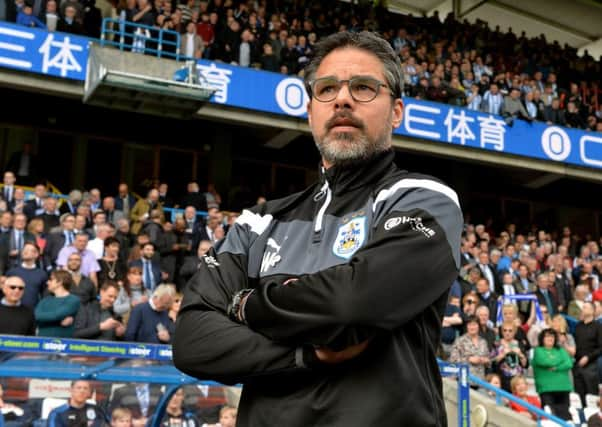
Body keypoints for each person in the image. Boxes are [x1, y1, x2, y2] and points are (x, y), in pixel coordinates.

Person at [174, 31, 463, 427]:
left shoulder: (422, 198)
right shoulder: (258, 222)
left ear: (396, 111)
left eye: (363, 87)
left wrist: (245, 304)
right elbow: (191, 340)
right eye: (327, 89)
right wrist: (302, 355)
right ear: (311, 111)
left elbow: (352, 304)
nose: (342, 99)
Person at [531, 328, 573, 420]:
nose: (550, 338)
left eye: (552, 336)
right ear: (542, 338)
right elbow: (545, 361)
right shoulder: (538, 350)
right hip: (546, 389)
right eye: (547, 336)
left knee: (565, 417)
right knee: (549, 416)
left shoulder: (561, 350)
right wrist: (560, 362)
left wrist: (556, 367)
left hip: (563, 387)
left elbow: (569, 363)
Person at [34, 270, 81, 337]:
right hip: (42, 342)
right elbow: (37, 316)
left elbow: (57, 315)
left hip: (63, 344)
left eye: (51, 280)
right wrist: (59, 320)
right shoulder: (45, 300)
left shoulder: (73, 300)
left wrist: (45, 319)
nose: (47, 282)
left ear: (59, 282)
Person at [449, 315, 490, 379]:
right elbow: (453, 361)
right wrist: (469, 360)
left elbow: (488, 361)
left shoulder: (483, 342)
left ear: (478, 326)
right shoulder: (460, 341)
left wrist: (485, 360)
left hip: (480, 381)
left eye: (474, 324)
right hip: (464, 380)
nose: (472, 327)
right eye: (469, 325)